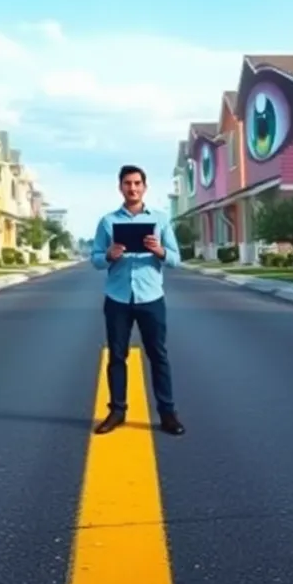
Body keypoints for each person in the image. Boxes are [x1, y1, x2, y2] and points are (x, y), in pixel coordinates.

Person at [89, 164, 185, 436]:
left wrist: (159, 250)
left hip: (151, 297)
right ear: (120, 187)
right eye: (127, 183)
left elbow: (177, 260)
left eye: (137, 183)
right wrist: (109, 254)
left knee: (158, 355)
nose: (132, 188)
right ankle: (117, 411)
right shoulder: (108, 222)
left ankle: (167, 414)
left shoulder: (161, 219)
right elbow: (95, 260)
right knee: (117, 356)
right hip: (117, 298)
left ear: (144, 186)